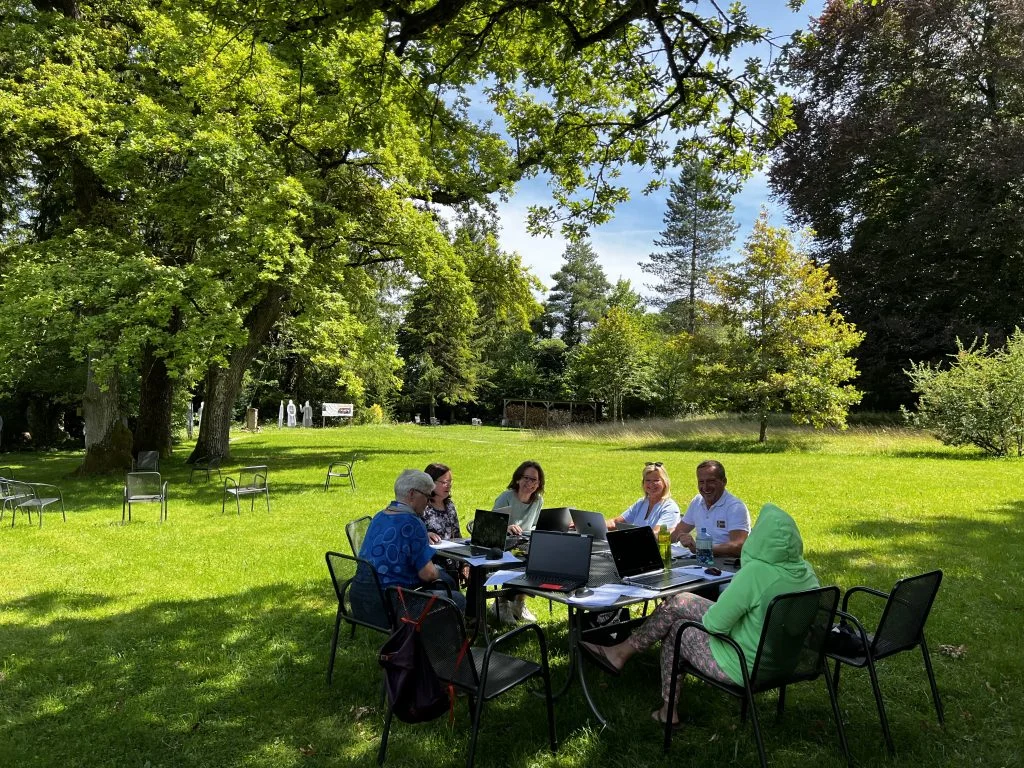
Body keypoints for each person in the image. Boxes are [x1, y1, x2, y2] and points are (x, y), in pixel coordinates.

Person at [580, 503, 819, 726]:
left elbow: (715, 625)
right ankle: (623, 651)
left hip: (743, 665)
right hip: (786, 662)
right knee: (680, 602)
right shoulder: (807, 573)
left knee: (676, 630)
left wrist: (693, 615)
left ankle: (666, 709)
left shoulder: (756, 573)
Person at [351, 469, 466, 625]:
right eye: (427, 496)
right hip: (390, 607)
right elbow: (429, 575)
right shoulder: (412, 522)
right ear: (412, 494)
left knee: (446, 581)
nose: (428, 502)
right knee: (456, 599)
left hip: (359, 600)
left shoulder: (380, 515)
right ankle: (445, 643)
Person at [491, 460, 545, 624]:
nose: (530, 483)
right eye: (526, 478)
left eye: (534, 480)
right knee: (517, 560)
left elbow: (535, 524)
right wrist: (507, 526)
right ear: (518, 479)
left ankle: (519, 603)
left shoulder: (538, 500)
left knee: (539, 559)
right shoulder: (506, 497)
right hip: (502, 544)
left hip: (525, 543)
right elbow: (492, 523)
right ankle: (501, 604)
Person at [671, 459, 750, 558]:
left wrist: (702, 549)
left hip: (727, 566)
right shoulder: (697, 501)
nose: (705, 487)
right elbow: (678, 531)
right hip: (702, 562)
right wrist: (680, 536)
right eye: (701, 482)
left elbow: (739, 546)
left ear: (724, 481)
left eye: (711, 481)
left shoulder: (735, 507)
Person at [420, 462, 469, 585]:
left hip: (453, 559)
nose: (448, 486)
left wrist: (465, 563)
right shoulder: (422, 506)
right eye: (444, 482)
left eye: (450, 482)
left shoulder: (449, 506)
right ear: (430, 483)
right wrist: (425, 534)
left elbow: (457, 536)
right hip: (433, 564)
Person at [607, 462, 681, 534]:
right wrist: (598, 525)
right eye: (648, 480)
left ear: (665, 483)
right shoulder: (641, 503)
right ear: (643, 483)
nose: (651, 484)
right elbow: (615, 523)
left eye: (656, 480)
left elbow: (657, 533)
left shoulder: (670, 507)